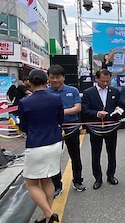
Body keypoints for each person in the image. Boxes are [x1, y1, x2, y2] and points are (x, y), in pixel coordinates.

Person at [18, 69, 62, 223]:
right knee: (47, 180)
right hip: (55, 142)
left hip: (36, 144)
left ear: (29, 82)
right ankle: (45, 216)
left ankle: (49, 213)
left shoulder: (24, 102)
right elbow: (60, 120)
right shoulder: (56, 99)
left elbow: (23, 126)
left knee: (31, 183)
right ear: (47, 81)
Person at [46, 65, 86, 197]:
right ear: (48, 78)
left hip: (71, 126)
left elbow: (78, 108)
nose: (55, 80)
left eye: (58, 77)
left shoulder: (72, 90)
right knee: (54, 157)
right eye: (52, 77)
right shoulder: (46, 92)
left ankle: (78, 181)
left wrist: (60, 112)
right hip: (53, 128)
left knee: (75, 155)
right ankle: (57, 185)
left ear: (63, 77)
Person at [81, 69, 122, 190]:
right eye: (103, 81)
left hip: (110, 127)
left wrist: (118, 108)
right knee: (96, 154)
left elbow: (118, 104)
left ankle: (111, 175)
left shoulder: (114, 91)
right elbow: (84, 109)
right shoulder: (88, 92)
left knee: (112, 153)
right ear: (96, 79)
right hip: (95, 128)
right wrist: (97, 113)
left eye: (108, 81)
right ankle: (98, 178)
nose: (105, 83)